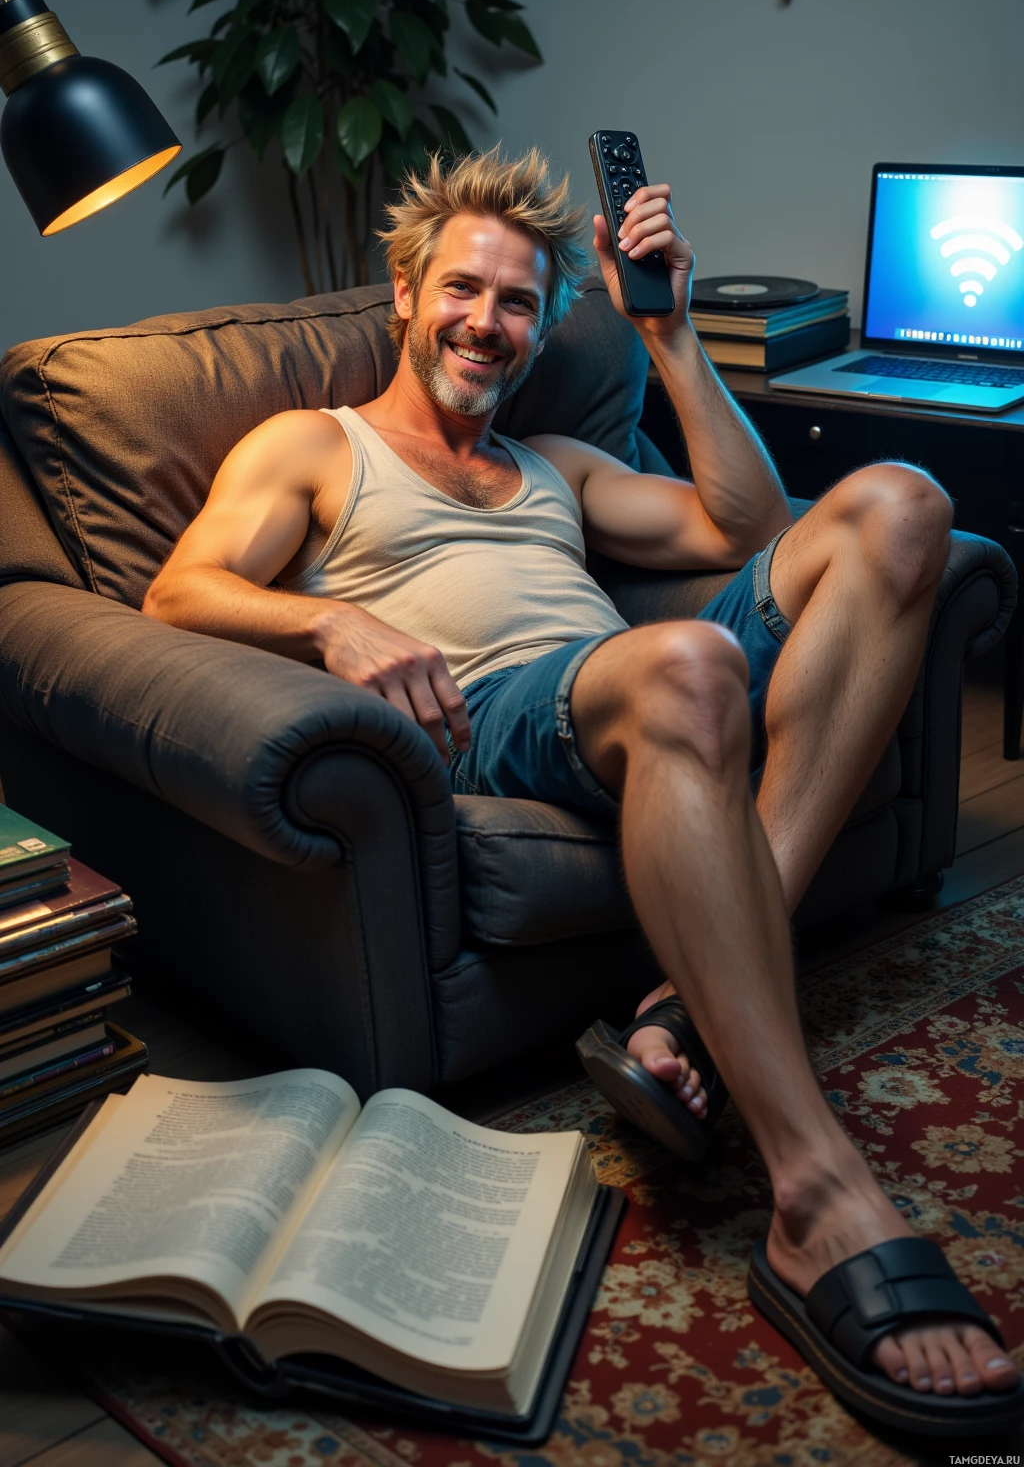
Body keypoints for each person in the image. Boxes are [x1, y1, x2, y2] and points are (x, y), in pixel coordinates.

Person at [143, 146, 1021, 1431]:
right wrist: (332, 625)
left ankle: (689, 1007)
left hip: (652, 685)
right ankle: (817, 1196)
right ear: (406, 294)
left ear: (542, 327)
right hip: (495, 717)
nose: (483, 323)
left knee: (903, 501)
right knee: (689, 662)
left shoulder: (556, 459)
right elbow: (177, 591)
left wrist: (665, 331)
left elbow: (745, 527)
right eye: (461, 289)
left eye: (516, 303)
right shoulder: (317, 444)